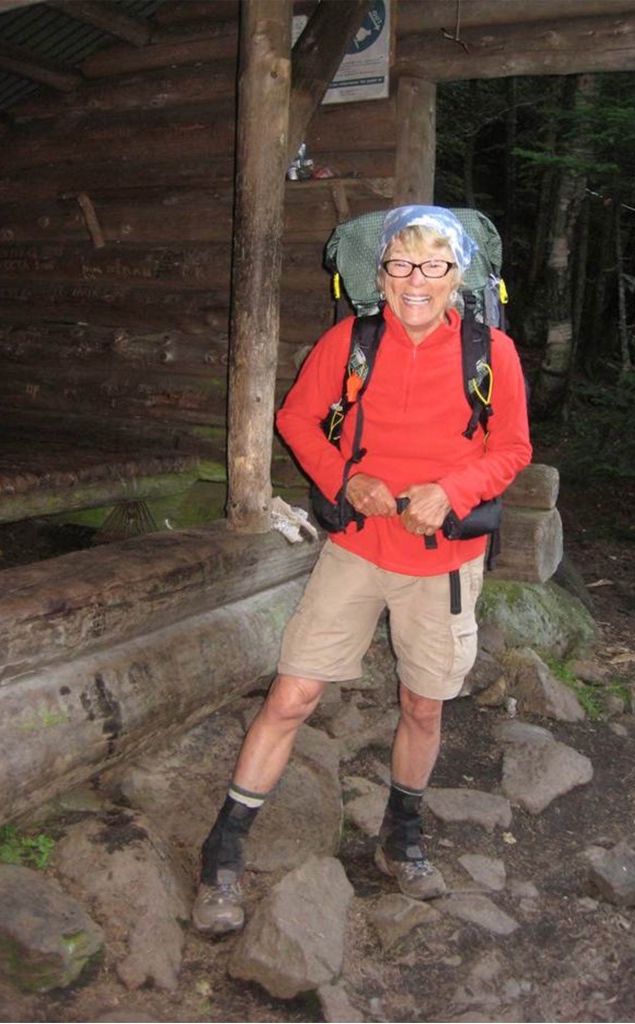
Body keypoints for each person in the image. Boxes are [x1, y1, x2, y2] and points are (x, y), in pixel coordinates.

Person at [192, 205, 532, 936]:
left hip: (443, 559)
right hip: (356, 549)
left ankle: (400, 840)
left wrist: (451, 493)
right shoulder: (352, 340)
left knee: (423, 706)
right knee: (292, 696)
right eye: (401, 265)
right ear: (379, 275)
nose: (416, 281)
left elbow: (512, 448)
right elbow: (295, 418)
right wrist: (347, 478)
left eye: (434, 266)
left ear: (458, 275)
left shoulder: (490, 353)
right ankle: (223, 850)